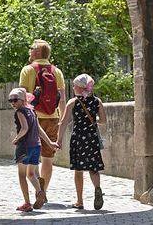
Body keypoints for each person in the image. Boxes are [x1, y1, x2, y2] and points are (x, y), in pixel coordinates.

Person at [18, 39, 66, 199]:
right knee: (47, 158)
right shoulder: (57, 71)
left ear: (37, 52)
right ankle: (43, 191)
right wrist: (61, 119)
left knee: (32, 156)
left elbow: (22, 97)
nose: (29, 50)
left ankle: (38, 190)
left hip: (33, 119)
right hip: (53, 118)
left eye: (32, 48)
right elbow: (62, 99)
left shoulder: (27, 70)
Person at [56, 73, 106, 211]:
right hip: (92, 138)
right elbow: (103, 121)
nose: (73, 87)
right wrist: (93, 121)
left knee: (78, 170)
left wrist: (59, 140)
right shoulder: (97, 101)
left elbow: (63, 122)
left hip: (78, 138)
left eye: (74, 85)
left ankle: (80, 201)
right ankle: (97, 188)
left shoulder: (73, 102)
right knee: (93, 168)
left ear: (79, 87)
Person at [8, 87, 50, 212]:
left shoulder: (19, 112)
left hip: (24, 147)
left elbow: (24, 128)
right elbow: (39, 130)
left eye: (15, 100)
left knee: (22, 175)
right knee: (31, 174)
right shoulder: (32, 111)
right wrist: (50, 143)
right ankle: (40, 192)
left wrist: (16, 139)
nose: (13, 103)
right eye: (10, 100)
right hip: (36, 146)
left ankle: (27, 203)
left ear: (22, 100)